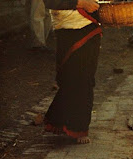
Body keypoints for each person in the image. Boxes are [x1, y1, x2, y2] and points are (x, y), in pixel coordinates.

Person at [43, 0, 102, 144]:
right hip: (65, 25)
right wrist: (79, 3)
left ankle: (79, 127)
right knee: (69, 76)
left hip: (88, 24)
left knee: (84, 77)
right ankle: (60, 121)